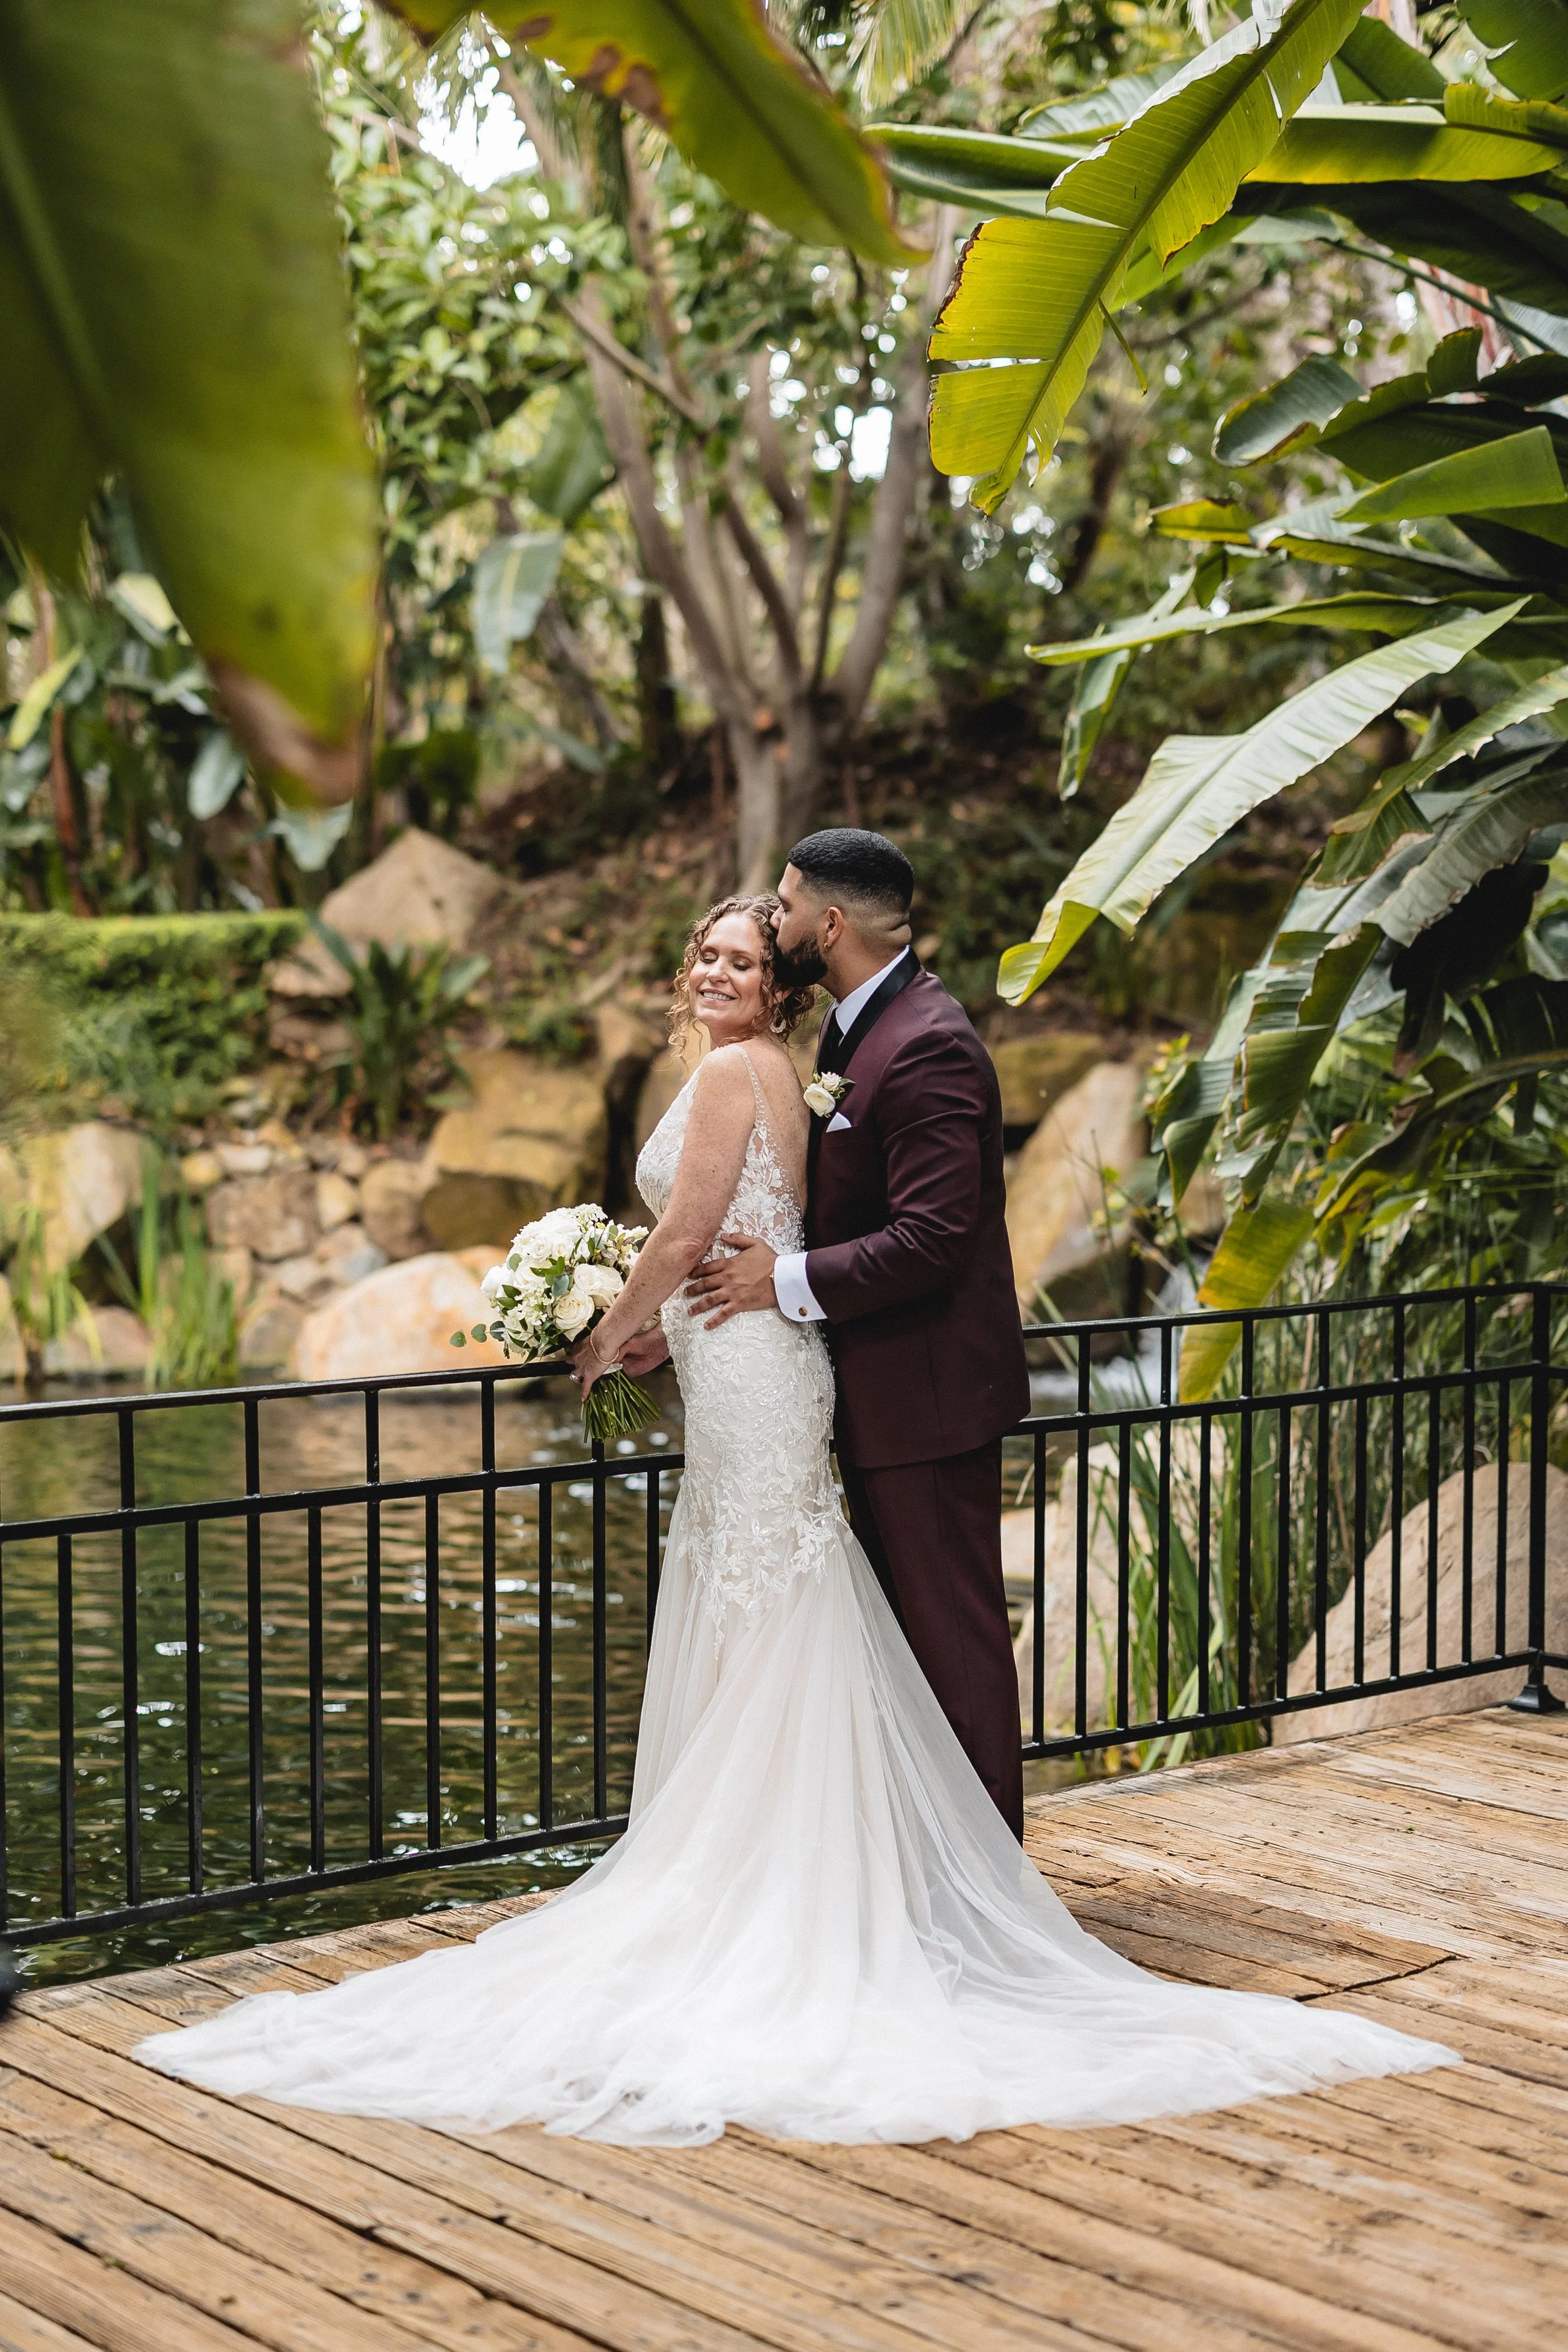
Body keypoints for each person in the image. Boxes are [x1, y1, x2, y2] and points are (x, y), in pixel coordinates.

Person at [135, 891, 1455, 2146]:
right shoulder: (790, 1068)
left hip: (757, 1368)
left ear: (779, 981)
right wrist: (660, 1329)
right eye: (703, 956)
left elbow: (690, 1229)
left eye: (741, 961)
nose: (718, 973)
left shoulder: (734, 1074)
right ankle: (810, 1872)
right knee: (775, 1597)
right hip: (744, 1356)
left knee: (767, 1596)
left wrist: (603, 1329)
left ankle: (772, 1894)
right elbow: (732, 1231)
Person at [682, 829, 1028, 1835]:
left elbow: (931, 1239)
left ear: (829, 925)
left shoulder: (929, 1042)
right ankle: (928, 1870)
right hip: (872, 1393)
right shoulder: (845, 1033)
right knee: (905, 1658)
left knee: (953, 1649)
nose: (773, 919)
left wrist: (778, 1281)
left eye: (784, 908)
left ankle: (990, 1886)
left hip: (928, 1401)